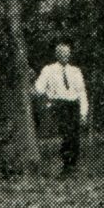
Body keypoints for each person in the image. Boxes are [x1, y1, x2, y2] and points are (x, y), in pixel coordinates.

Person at [31, 43, 90, 174]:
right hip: (58, 104)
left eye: (67, 53)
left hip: (73, 104)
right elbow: (39, 88)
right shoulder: (49, 69)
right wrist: (38, 92)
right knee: (66, 133)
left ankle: (72, 165)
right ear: (56, 54)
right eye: (61, 52)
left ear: (69, 54)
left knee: (74, 135)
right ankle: (66, 164)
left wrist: (83, 112)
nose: (65, 55)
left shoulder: (75, 71)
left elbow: (82, 92)